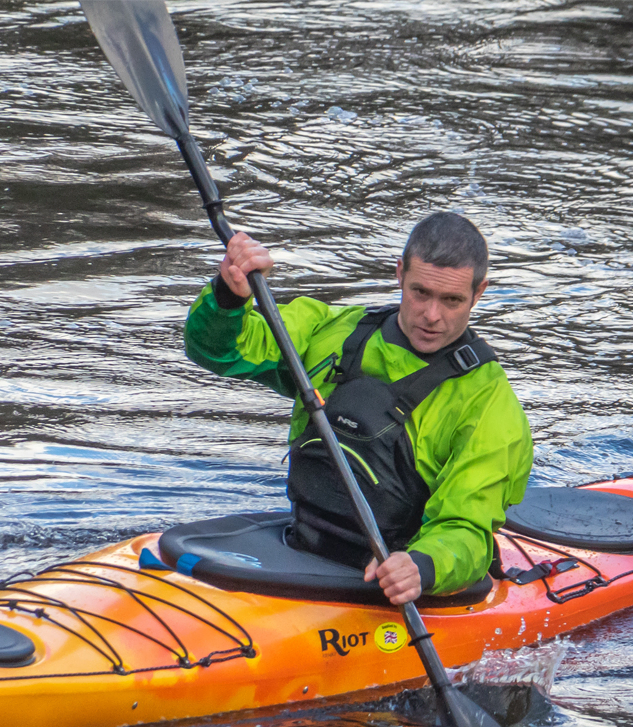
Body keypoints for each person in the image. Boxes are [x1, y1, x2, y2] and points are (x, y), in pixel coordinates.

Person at [183, 211, 532, 606]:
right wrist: (230, 295)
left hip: (391, 578)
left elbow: (467, 529)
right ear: (399, 273)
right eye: (420, 293)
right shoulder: (330, 330)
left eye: (452, 300)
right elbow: (216, 351)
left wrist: (423, 564)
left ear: (479, 291)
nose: (432, 316)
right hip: (302, 547)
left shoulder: (489, 406)